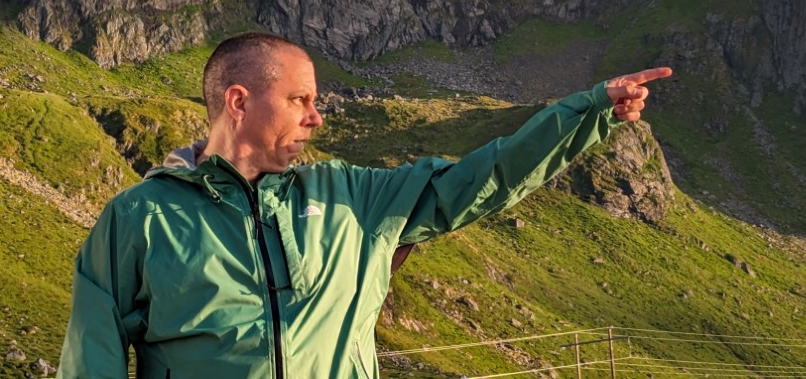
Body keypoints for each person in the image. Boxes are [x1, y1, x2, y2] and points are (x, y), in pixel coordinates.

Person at [57, 32, 672, 378]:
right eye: (300, 100)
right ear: (239, 102)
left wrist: (589, 110)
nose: (316, 117)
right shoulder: (139, 218)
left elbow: (485, 177)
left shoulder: (354, 197)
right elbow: (92, 360)